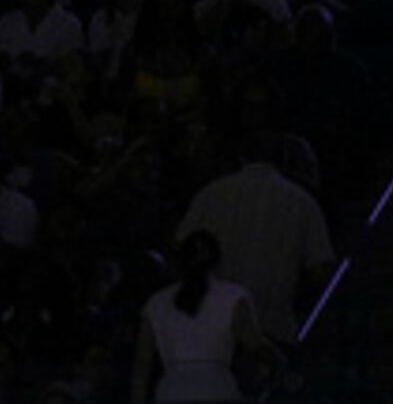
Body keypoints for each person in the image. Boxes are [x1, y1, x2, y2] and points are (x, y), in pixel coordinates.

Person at [173, 140, 333, 332]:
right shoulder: (302, 202)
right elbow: (320, 271)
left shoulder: (210, 194)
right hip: (272, 327)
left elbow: (180, 248)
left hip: (212, 326)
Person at [135, 233, 264, 404]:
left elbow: (142, 365)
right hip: (218, 391)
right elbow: (254, 345)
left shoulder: (156, 303)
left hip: (172, 393)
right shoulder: (233, 298)